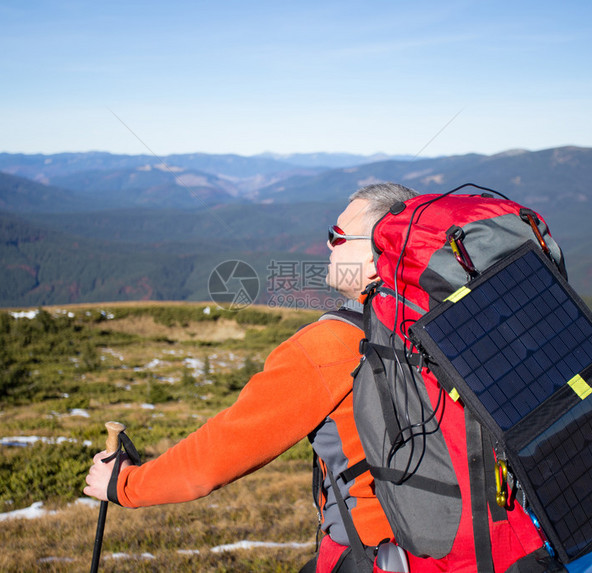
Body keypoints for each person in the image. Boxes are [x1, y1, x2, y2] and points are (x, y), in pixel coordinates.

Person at [84, 182, 420, 572]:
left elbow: (217, 454)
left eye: (338, 236)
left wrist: (123, 484)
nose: (329, 245)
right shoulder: (450, 325)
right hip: (469, 545)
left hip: (376, 552)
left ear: (381, 251)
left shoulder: (328, 347)